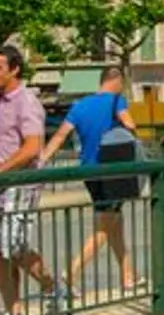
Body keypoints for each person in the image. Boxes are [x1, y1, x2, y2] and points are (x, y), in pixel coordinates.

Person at [0, 45, 67, 315]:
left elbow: (32, 147)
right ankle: (14, 310)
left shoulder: (26, 101)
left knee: (15, 246)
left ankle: (51, 286)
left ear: (14, 69)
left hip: (20, 183)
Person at [40, 67, 142, 292]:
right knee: (105, 228)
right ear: (116, 81)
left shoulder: (80, 105)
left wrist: (42, 160)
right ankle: (70, 274)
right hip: (112, 172)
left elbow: (60, 136)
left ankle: (128, 277)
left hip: (89, 172)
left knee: (115, 223)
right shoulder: (118, 101)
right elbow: (131, 126)